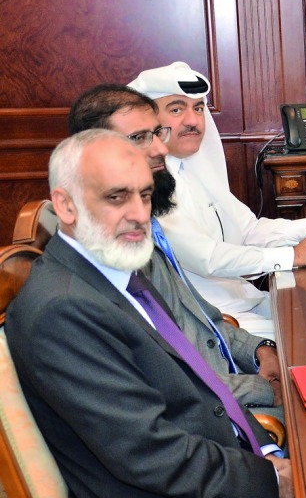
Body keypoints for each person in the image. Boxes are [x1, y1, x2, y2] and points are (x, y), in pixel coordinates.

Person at [6, 130, 291, 498]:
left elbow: (205, 388)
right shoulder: (62, 310)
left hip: (219, 457)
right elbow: (149, 455)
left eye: (143, 194)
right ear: (66, 205)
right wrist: (271, 480)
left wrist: (269, 454)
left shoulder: (117, 267)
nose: (140, 214)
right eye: (117, 197)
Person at [67, 84, 283, 418]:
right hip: (211, 415)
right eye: (139, 137)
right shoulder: (93, 267)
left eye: (156, 133)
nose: (160, 148)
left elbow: (200, 318)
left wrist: (259, 349)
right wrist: (263, 389)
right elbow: (164, 384)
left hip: (228, 381)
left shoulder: (141, 230)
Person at [129, 61, 306, 337]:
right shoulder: (147, 183)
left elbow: (247, 229)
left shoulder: (198, 168)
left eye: (198, 108)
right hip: (211, 319)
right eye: (176, 109)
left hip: (246, 301)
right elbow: (208, 258)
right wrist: (294, 255)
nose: (192, 120)